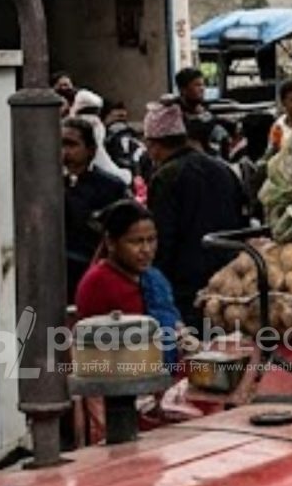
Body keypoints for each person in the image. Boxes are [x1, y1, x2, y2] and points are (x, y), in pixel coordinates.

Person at [142, 101, 248, 305]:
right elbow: (242, 219)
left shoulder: (165, 177)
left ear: (153, 146)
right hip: (227, 277)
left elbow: (163, 235)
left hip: (185, 283)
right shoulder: (223, 169)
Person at [74, 199, 187, 370]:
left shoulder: (153, 278)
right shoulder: (97, 283)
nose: (146, 249)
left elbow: (174, 326)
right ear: (111, 243)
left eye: (151, 240)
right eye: (136, 242)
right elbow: (93, 353)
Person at [62, 116, 132, 299]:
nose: (64, 152)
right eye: (60, 144)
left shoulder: (111, 187)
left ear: (91, 150)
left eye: (71, 145)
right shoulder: (50, 186)